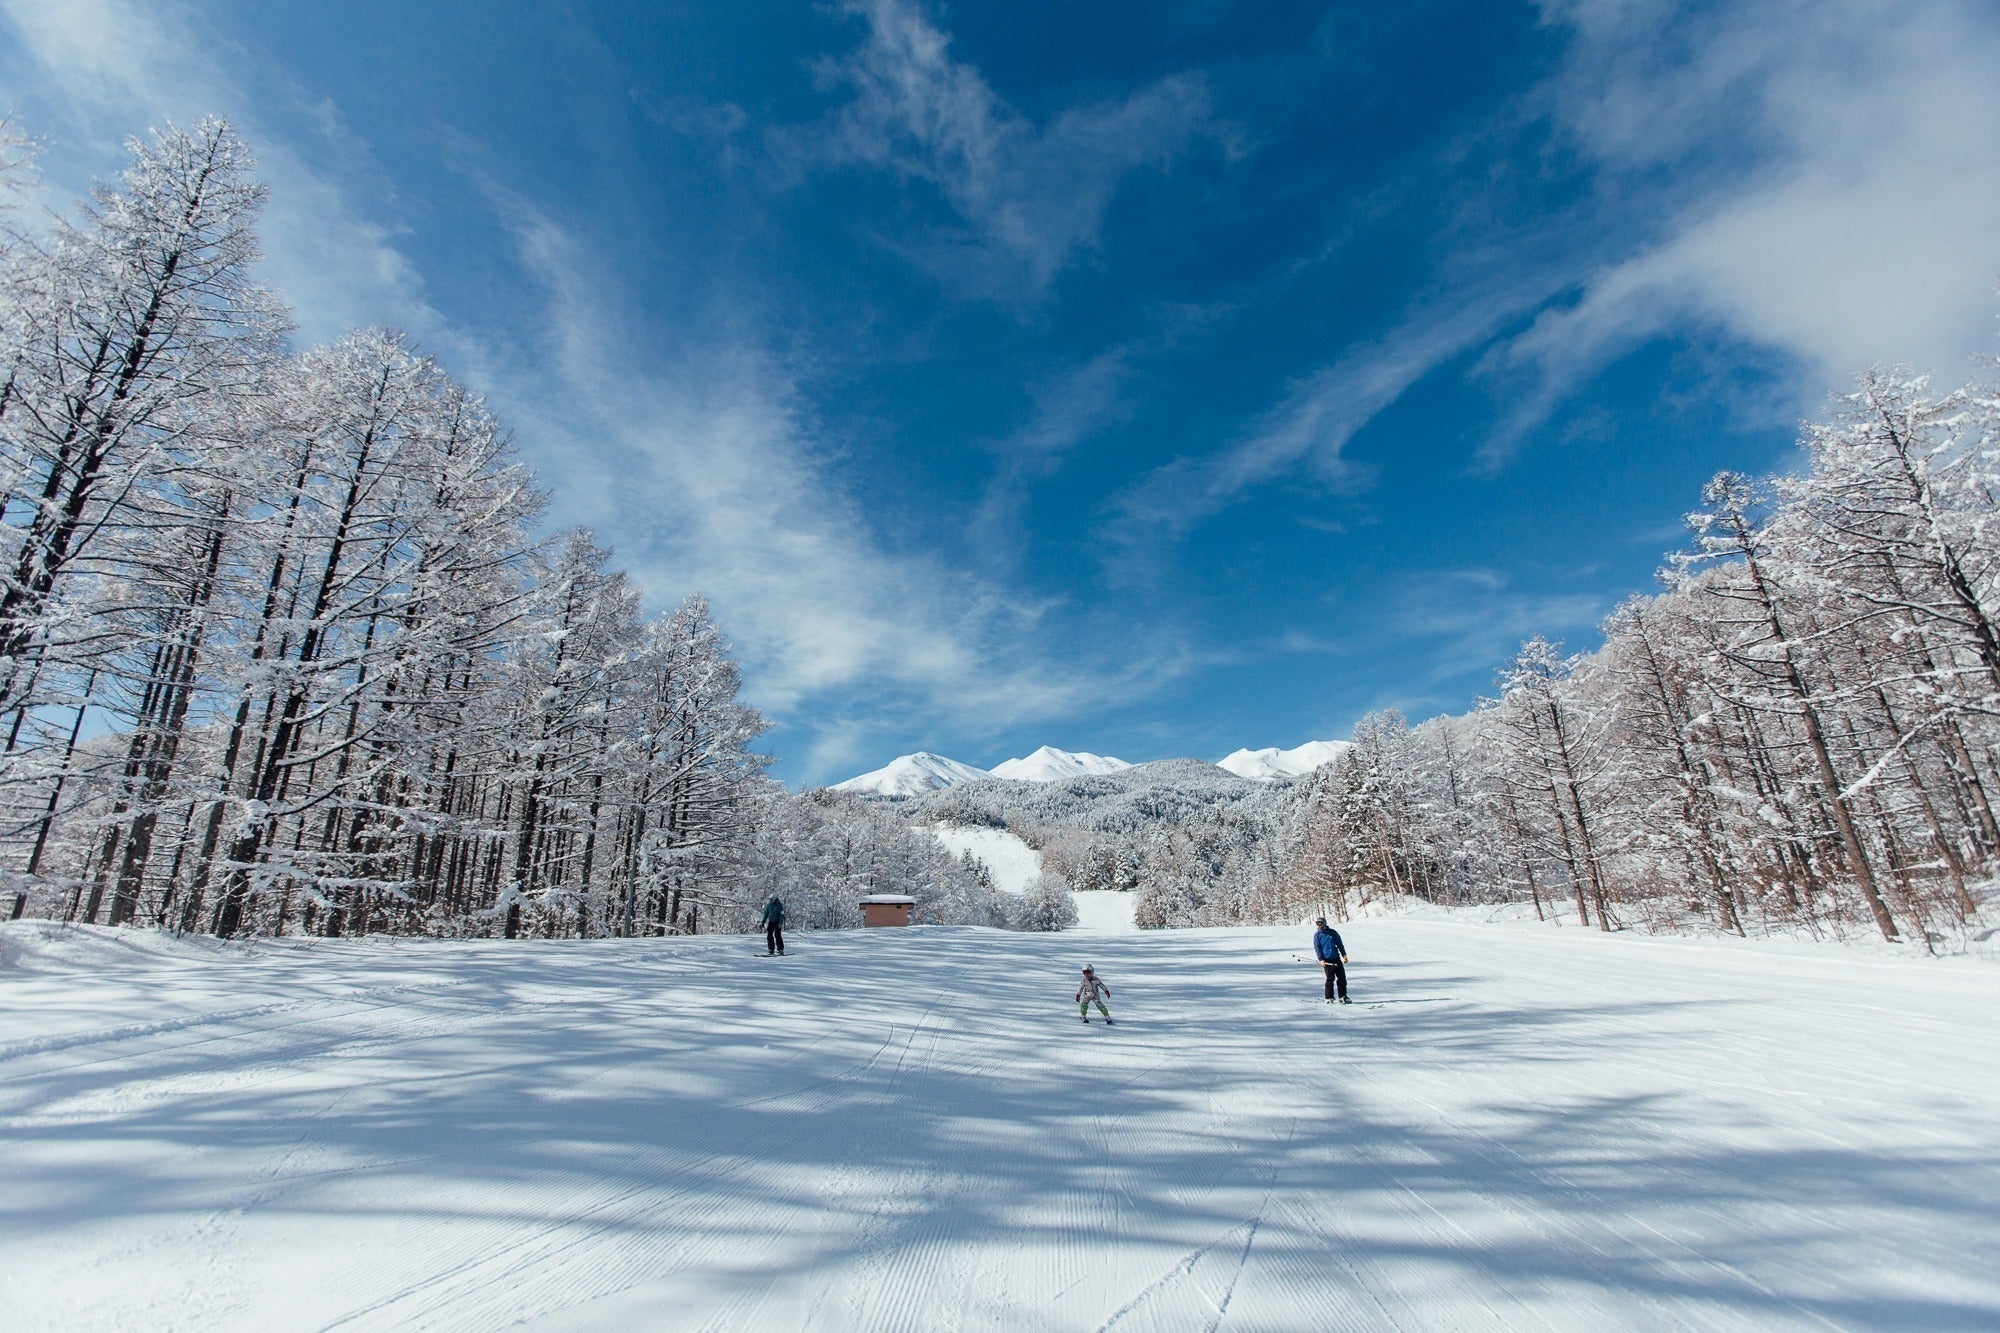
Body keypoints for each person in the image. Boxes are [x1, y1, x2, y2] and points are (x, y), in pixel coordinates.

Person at [1313, 917, 1349, 1003]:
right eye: (1317, 924)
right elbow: (1317, 948)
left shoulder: (1332, 933)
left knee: (1342, 978)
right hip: (1326, 960)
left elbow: (1340, 944)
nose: (1319, 926)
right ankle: (1329, 997)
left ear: (1324, 923)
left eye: (1320, 924)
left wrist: (1344, 954)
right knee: (1330, 978)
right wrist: (1321, 959)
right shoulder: (1317, 935)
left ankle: (1342, 996)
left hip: (1336, 958)